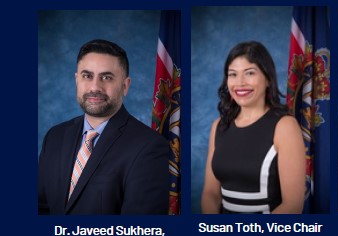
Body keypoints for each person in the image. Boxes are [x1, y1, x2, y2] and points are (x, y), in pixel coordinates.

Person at [38, 39, 169, 215]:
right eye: (87, 76)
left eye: (106, 77)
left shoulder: (148, 147)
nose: (95, 87)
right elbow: (42, 207)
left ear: (125, 86)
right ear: (77, 80)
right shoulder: (55, 136)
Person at [201, 41, 307, 214]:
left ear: (267, 78)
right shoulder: (218, 126)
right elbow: (210, 193)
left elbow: (293, 205)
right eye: (233, 74)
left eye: (249, 73)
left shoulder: (285, 126)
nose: (240, 83)